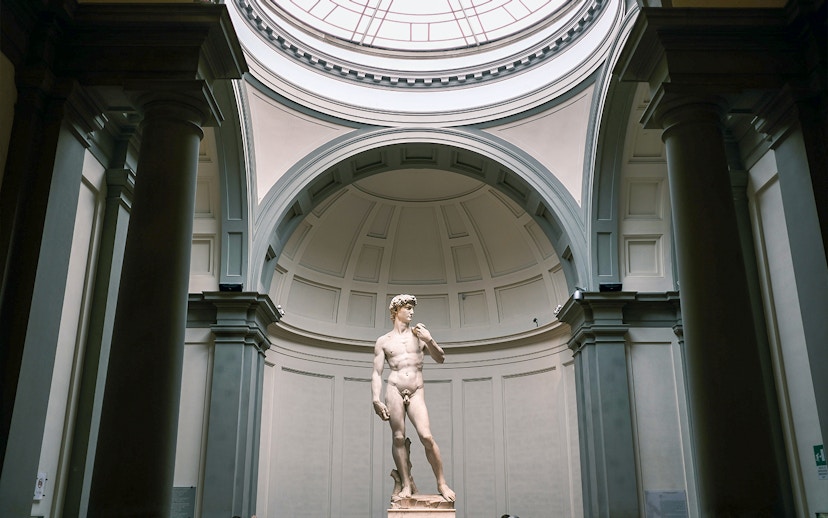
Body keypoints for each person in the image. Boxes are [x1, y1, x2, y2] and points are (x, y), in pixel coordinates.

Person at [372, 294, 455, 502]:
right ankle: (406, 484)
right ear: (396, 311)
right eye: (408, 308)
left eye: (412, 308)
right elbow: (376, 372)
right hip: (394, 388)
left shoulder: (420, 336)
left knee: (426, 436)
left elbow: (440, 358)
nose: (412, 312)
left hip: (416, 390)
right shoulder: (384, 341)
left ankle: (442, 483)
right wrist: (376, 399)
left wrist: (429, 339)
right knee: (398, 437)